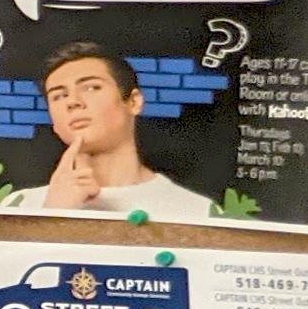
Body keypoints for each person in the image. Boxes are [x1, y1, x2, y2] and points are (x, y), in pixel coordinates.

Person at [21, 43, 206, 216]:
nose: (73, 102)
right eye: (59, 96)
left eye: (92, 88)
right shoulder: (20, 206)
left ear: (133, 102)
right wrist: (54, 213)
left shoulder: (196, 211)